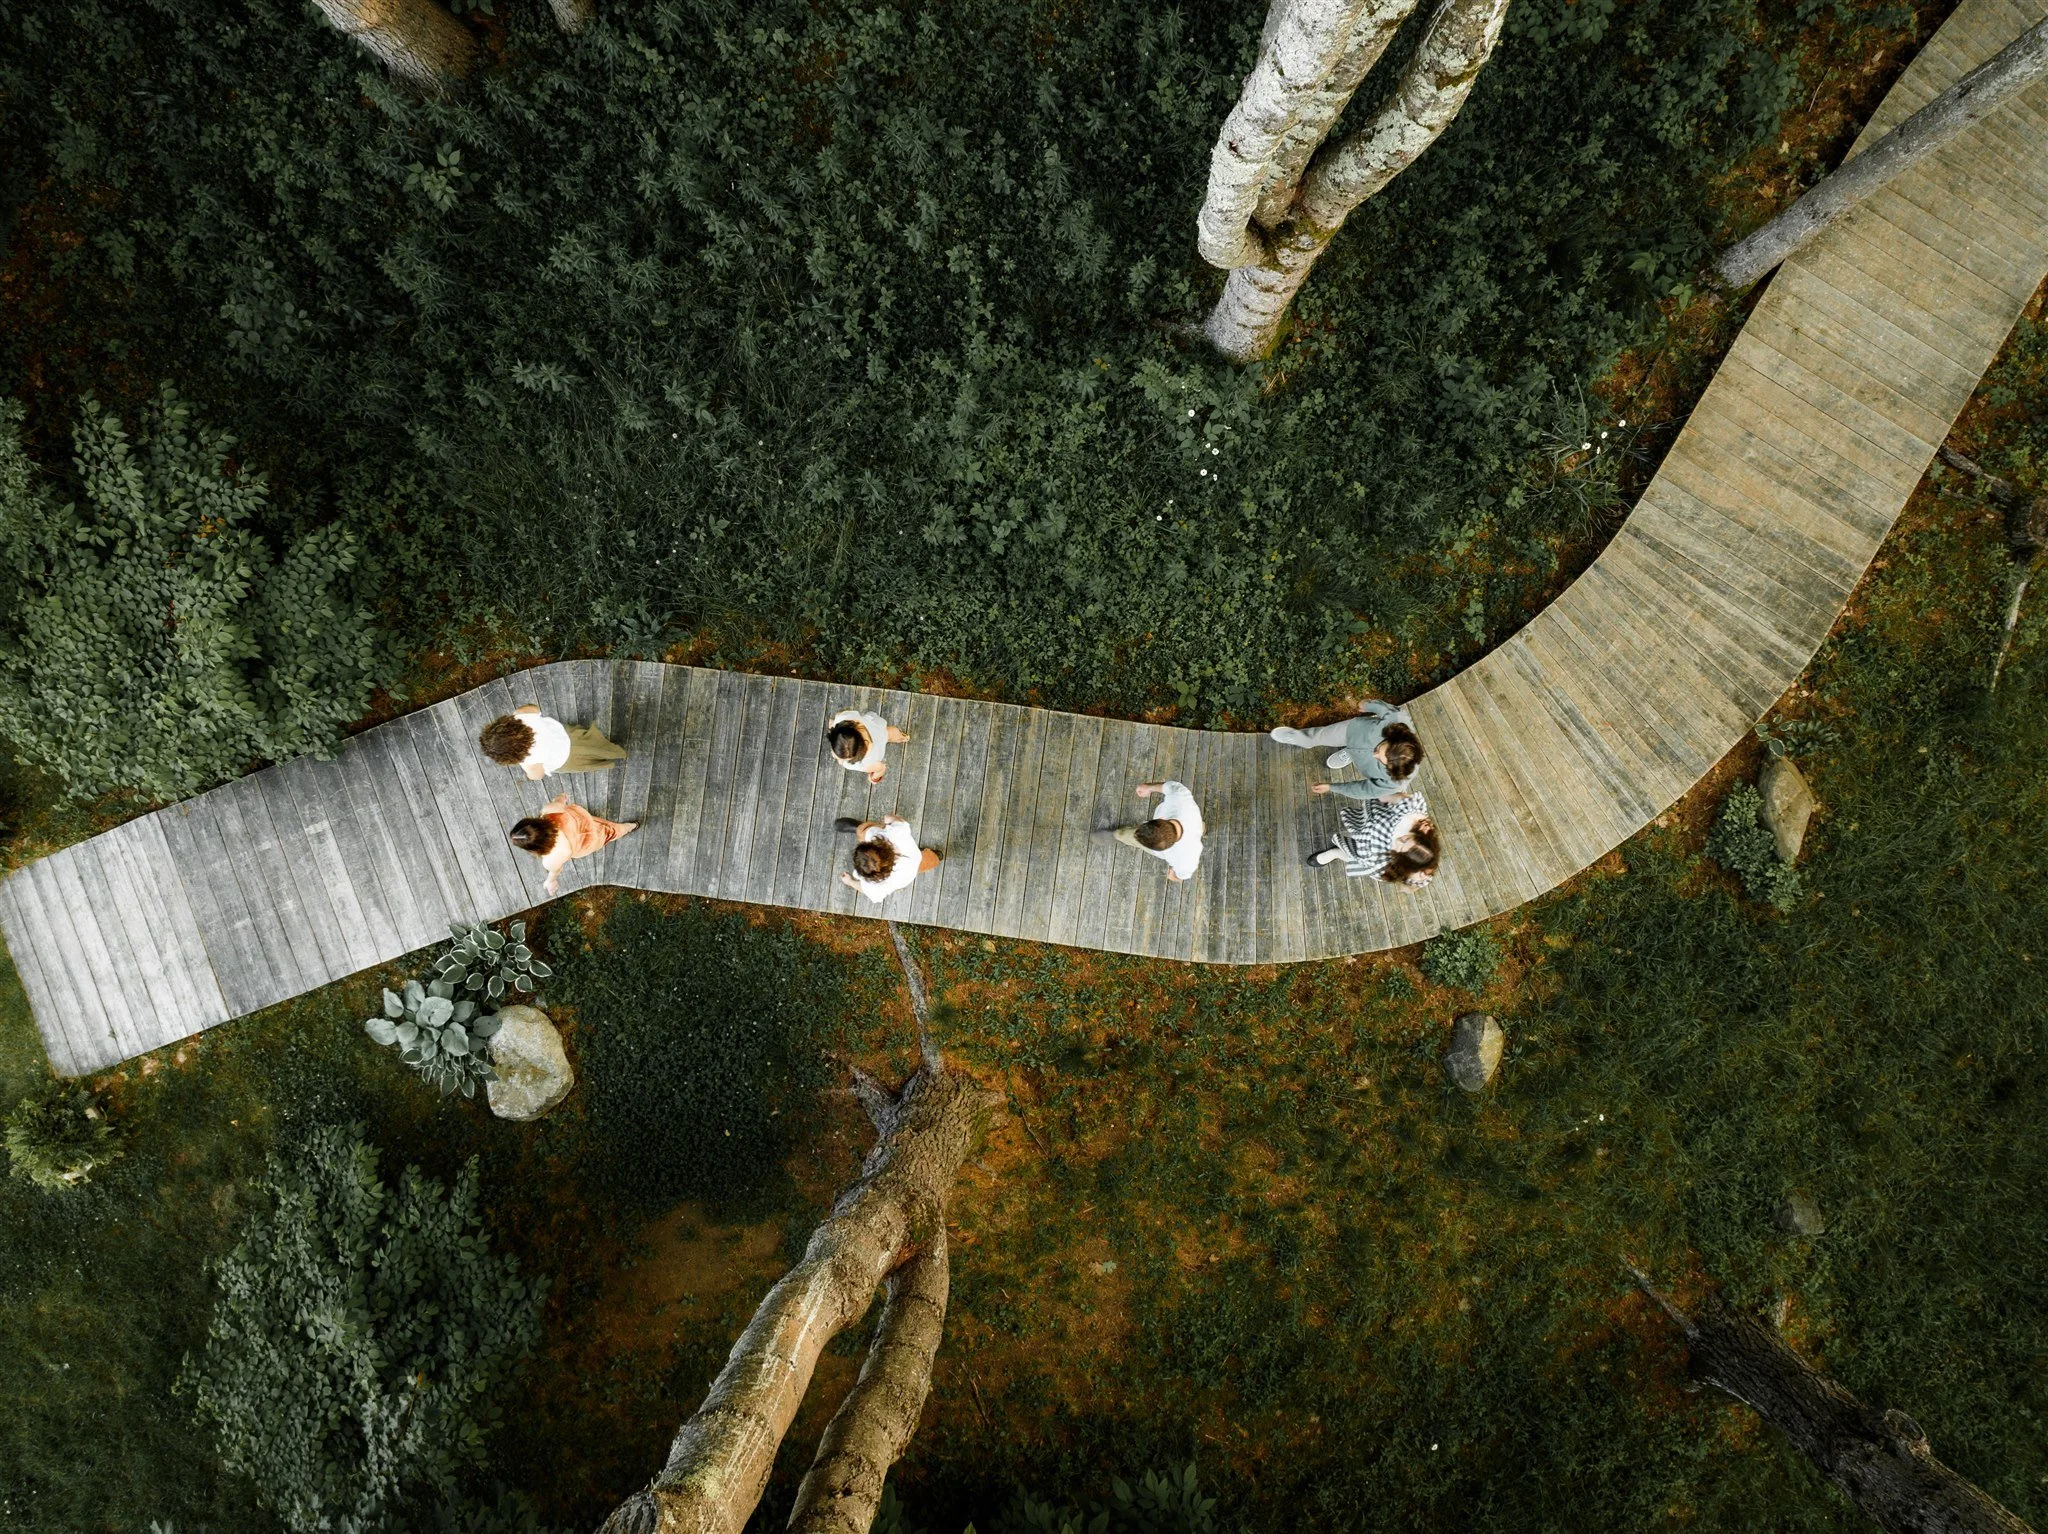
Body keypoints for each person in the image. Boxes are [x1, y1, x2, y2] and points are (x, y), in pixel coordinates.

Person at [1270, 701, 1423, 800]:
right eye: (1379, 748)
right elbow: (1388, 710)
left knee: (1362, 755)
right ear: (1393, 737)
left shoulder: (1395, 782)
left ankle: (1350, 753)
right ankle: (1298, 738)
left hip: (1361, 761)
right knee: (1318, 736)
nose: (1374, 754)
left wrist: (1332, 787)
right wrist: (1369, 705)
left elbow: (1365, 790)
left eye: (1380, 760)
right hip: (1353, 731)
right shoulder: (1398, 722)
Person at [509, 795, 638, 896]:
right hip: (582, 820)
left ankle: (628, 828)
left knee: (609, 833)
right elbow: (560, 801)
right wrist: (561, 797)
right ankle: (629, 826)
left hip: (588, 841)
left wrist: (550, 881)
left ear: (534, 848)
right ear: (532, 822)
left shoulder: (551, 859)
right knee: (601, 824)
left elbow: (555, 872)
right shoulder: (548, 811)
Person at [1309, 790, 1439, 887]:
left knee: (1354, 854)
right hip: (1369, 823)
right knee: (1355, 835)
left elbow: (1366, 860)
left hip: (1369, 852)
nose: (1402, 838)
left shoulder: (1387, 863)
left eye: (1402, 844)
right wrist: (1384, 795)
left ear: (1400, 859)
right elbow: (1390, 796)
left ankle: (1334, 853)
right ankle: (1340, 849)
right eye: (1409, 838)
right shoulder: (1416, 820)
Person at [480, 703, 628, 781]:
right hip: (566, 734)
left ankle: (616, 754)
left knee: (591, 757)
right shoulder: (522, 716)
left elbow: (537, 776)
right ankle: (608, 746)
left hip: (569, 758)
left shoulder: (528, 760)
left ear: (509, 757)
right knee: (589, 741)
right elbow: (534, 708)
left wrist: (528, 774)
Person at [1102, 781, 1204, 882]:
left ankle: (1117, 835)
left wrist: (1173, 877)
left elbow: (1180, 877)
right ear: (1162, 819)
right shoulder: (1179, 796)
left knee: (1121, 835)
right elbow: (1181, 876)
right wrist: (1148, 787)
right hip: (1195, 824)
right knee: (1199, 828)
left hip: (1194, 823)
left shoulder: (1179, 795)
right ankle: (1202, 829)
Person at [837, 815, 941, 904]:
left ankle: (937, 857)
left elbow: (869, 891)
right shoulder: (893, 833)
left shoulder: (879, 885)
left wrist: (850, 881)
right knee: (928, 860)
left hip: (909, 872)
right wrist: (888, 819)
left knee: (862, 831)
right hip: (915, 857)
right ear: (874, 844)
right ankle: (935, 856)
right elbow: (897, 821)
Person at [826, 708, 911, 785]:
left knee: (886, 735)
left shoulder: (865, 762)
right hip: (875, 727)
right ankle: (902, 736)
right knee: (889, 732)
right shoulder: (845, 718)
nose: (834, 754)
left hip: (879, 741)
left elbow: (881, 768)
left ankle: (901, 737)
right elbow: (842, 713)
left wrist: (874, 778)